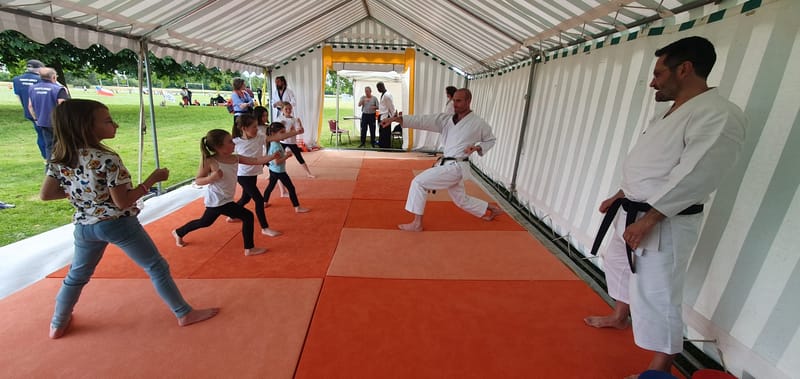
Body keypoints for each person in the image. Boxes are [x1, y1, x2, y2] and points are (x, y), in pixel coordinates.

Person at [585, 36, 746, 377]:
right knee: (616, 263)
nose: (652, 81)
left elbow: (697, 175)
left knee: (658, 292)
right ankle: (620, 315)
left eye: (658, 73)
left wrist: (650, 220)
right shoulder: (668, 112)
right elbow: (649, 165)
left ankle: (661, 368)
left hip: (664, 221)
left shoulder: (718, 114)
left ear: (684, 69)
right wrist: (619, 194)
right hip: (633, 208)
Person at [40, 99, 219, 339]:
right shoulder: (107, 160)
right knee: (156, 266)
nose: (115, 125)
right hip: (118, 224)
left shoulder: (60, 157)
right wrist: (151, 181)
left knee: (77, 276)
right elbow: (123, 201)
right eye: (107, 121)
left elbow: (47, 194)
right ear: (86, 127)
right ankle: (183, 313)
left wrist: (85, 195)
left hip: (84, 226)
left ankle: (57, 323)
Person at [379, 88, 501, 231]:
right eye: (454, 100)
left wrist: (477, 148)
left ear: (468, 101)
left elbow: (490, 140)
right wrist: (396, 119)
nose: (455, 104)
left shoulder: (478, 123)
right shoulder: (447, 119)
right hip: (448, 165)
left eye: (459, 101)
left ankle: (417, 223)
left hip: (456, 166)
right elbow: (423, 120)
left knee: (418, 183)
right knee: (461, 200)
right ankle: (493, 209)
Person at [172, 129, 275, 256]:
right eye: (230, 142)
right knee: (247, 216)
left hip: (226, 199)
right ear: (219, 147)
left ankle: (179, 232)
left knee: (205, 222)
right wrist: (211, 178)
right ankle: (249, 248)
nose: (234, 144)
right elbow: (198, 181)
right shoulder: (211, 161)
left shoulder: (235, 158)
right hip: (217, 200)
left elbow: (255, 160)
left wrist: (272, 156)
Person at [230, 114, 282, 237]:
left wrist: (295, 132)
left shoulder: (258, 138)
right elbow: (223, 152)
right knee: (259, 200)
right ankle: (265, 228)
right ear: (243, 128)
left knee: (246, 198)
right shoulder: (236, 142)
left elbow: (276, 137)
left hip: (253, 174)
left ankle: (232, 214)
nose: (257, 129)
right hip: (243, 175)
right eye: (254, 127)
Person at [263, 122, 310, 214]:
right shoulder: (275, 145)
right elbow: (277, 162)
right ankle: (297, 207)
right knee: (291, 188)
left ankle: (264, 202)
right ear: (273, 134)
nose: (284, 135)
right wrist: (287, 156)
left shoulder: (274, 143)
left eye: (284, 132)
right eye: (282, 132)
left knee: (270, 186)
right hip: (279, 171)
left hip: (273, 170)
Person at [28, 67, 70, 160]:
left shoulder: (32, 88)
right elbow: (62, 106)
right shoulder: (59, 89)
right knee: (64, 145)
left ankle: (50, 168)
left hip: (42, 121)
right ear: (54, 77)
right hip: (58, 122)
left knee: (49, 146)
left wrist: (36, 119)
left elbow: (30, 106)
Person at [12, 59, 43, 158]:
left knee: (40, 134)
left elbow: (18, 97)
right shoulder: (41, 79)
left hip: (29, 112)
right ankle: (49, 158)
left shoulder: (17, 79)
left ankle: (46, 157)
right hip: (43, 112)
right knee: (47, 135)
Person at [277, 103, 315, 178]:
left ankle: (308, 173)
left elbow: (301, 131)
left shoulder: (295, 119)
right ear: (282, 110)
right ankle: (272, 174)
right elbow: (277, 131)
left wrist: (300, 126)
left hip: (292, 142)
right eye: (286, 109)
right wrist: (282, 126)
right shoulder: (279, 119)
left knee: (299, 157)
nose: (288, 110)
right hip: (282, 142)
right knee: (277, 158)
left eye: (290, 109)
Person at [376, 81, 396, 148]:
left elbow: (391, 107)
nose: (377, 90)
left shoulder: (387, 95)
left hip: (386, 116)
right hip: (381, 115)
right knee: (381, 132)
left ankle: (386, 147)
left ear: (381, 87)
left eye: (378, 88)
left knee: (386, 133)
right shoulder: (383, 94)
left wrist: (393, 116)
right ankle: (381, 145)